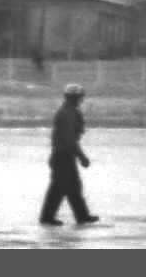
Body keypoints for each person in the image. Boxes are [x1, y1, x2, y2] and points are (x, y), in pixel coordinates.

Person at [40, 84, 98, 226]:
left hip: (64, 155)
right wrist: (82, 156)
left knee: (70, 187)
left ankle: (81, 216)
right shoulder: (67, 113)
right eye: (80, 97)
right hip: (62, 156)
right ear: (75, 98)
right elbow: (69, 140)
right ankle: (48, 218)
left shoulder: (71, 111)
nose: (81, 100)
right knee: (61, 188)